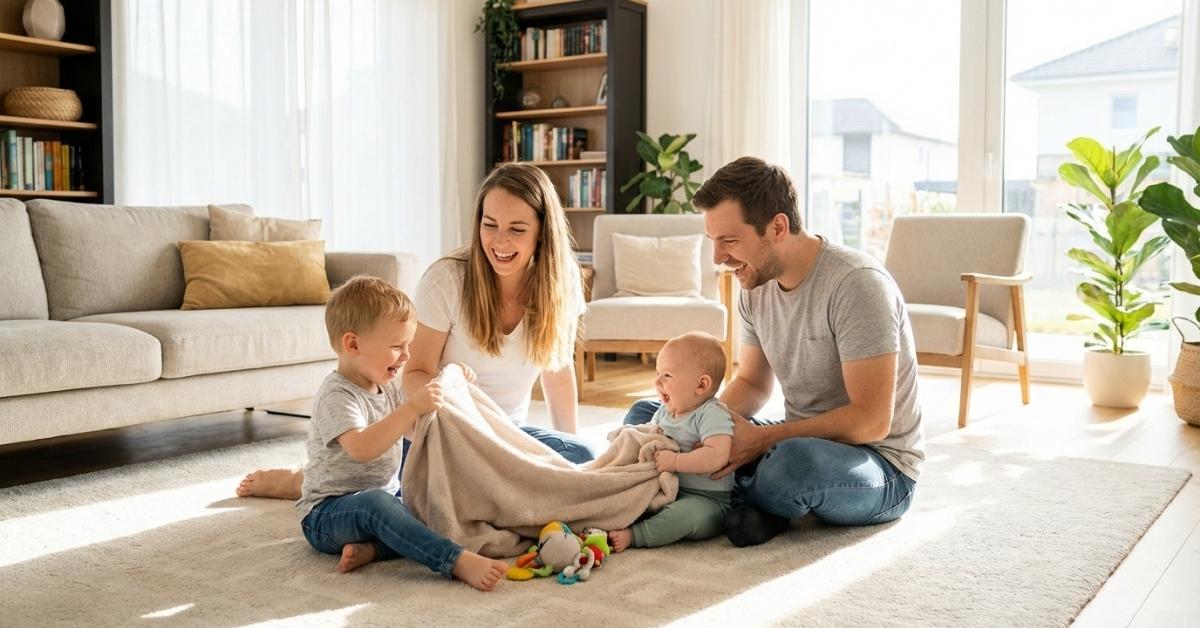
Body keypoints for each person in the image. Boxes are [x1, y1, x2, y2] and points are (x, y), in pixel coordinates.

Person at [238, 162, 592, 499]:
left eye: (516, 229)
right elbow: (415, 372)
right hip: (442, 431)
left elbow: (557, 372)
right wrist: (469, 427)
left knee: (580, 457)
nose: (499, 242)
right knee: (439, 498)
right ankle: (305, 480)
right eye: (490, 225)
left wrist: (569, 466)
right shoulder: (448, 279)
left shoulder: (562, 282)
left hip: (506, 435)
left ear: (542, 232)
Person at [622, 156, 924, 548]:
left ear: (777, 227)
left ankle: (719, 497)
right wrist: (703, 424)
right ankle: (750, 502)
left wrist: (762, 441)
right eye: (714, 241)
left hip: (878, 464)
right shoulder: (755, 285)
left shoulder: (856, 285)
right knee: (647, 416)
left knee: (790, 467)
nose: (718, 258)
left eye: (730, 241)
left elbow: (871, 421)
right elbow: (751, 383)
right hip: (795, 436)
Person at [297, 275, 508, 590]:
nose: (407, 356)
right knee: (377, 506)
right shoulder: (336, 395)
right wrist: (410, 408)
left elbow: (417, 431)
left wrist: (451, 385)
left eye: (408, 345)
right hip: (327, 515)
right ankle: (454, 560)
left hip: (383, 499)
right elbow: (361, 447)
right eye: (397, 347)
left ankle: (374, 549)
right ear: (353, 344)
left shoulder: (388, 388)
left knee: (429, 506)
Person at [608, 332, 733, 552]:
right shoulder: (664, 412)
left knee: (682, 517)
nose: (657, 382)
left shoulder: (712, 413)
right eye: (657, 373)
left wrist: (675, 461)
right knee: (628, 496)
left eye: (667, 375)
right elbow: (648, 438)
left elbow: (717, 456)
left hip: (707, 501)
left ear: (701, 385)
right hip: (665, 490)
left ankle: (636, 535)